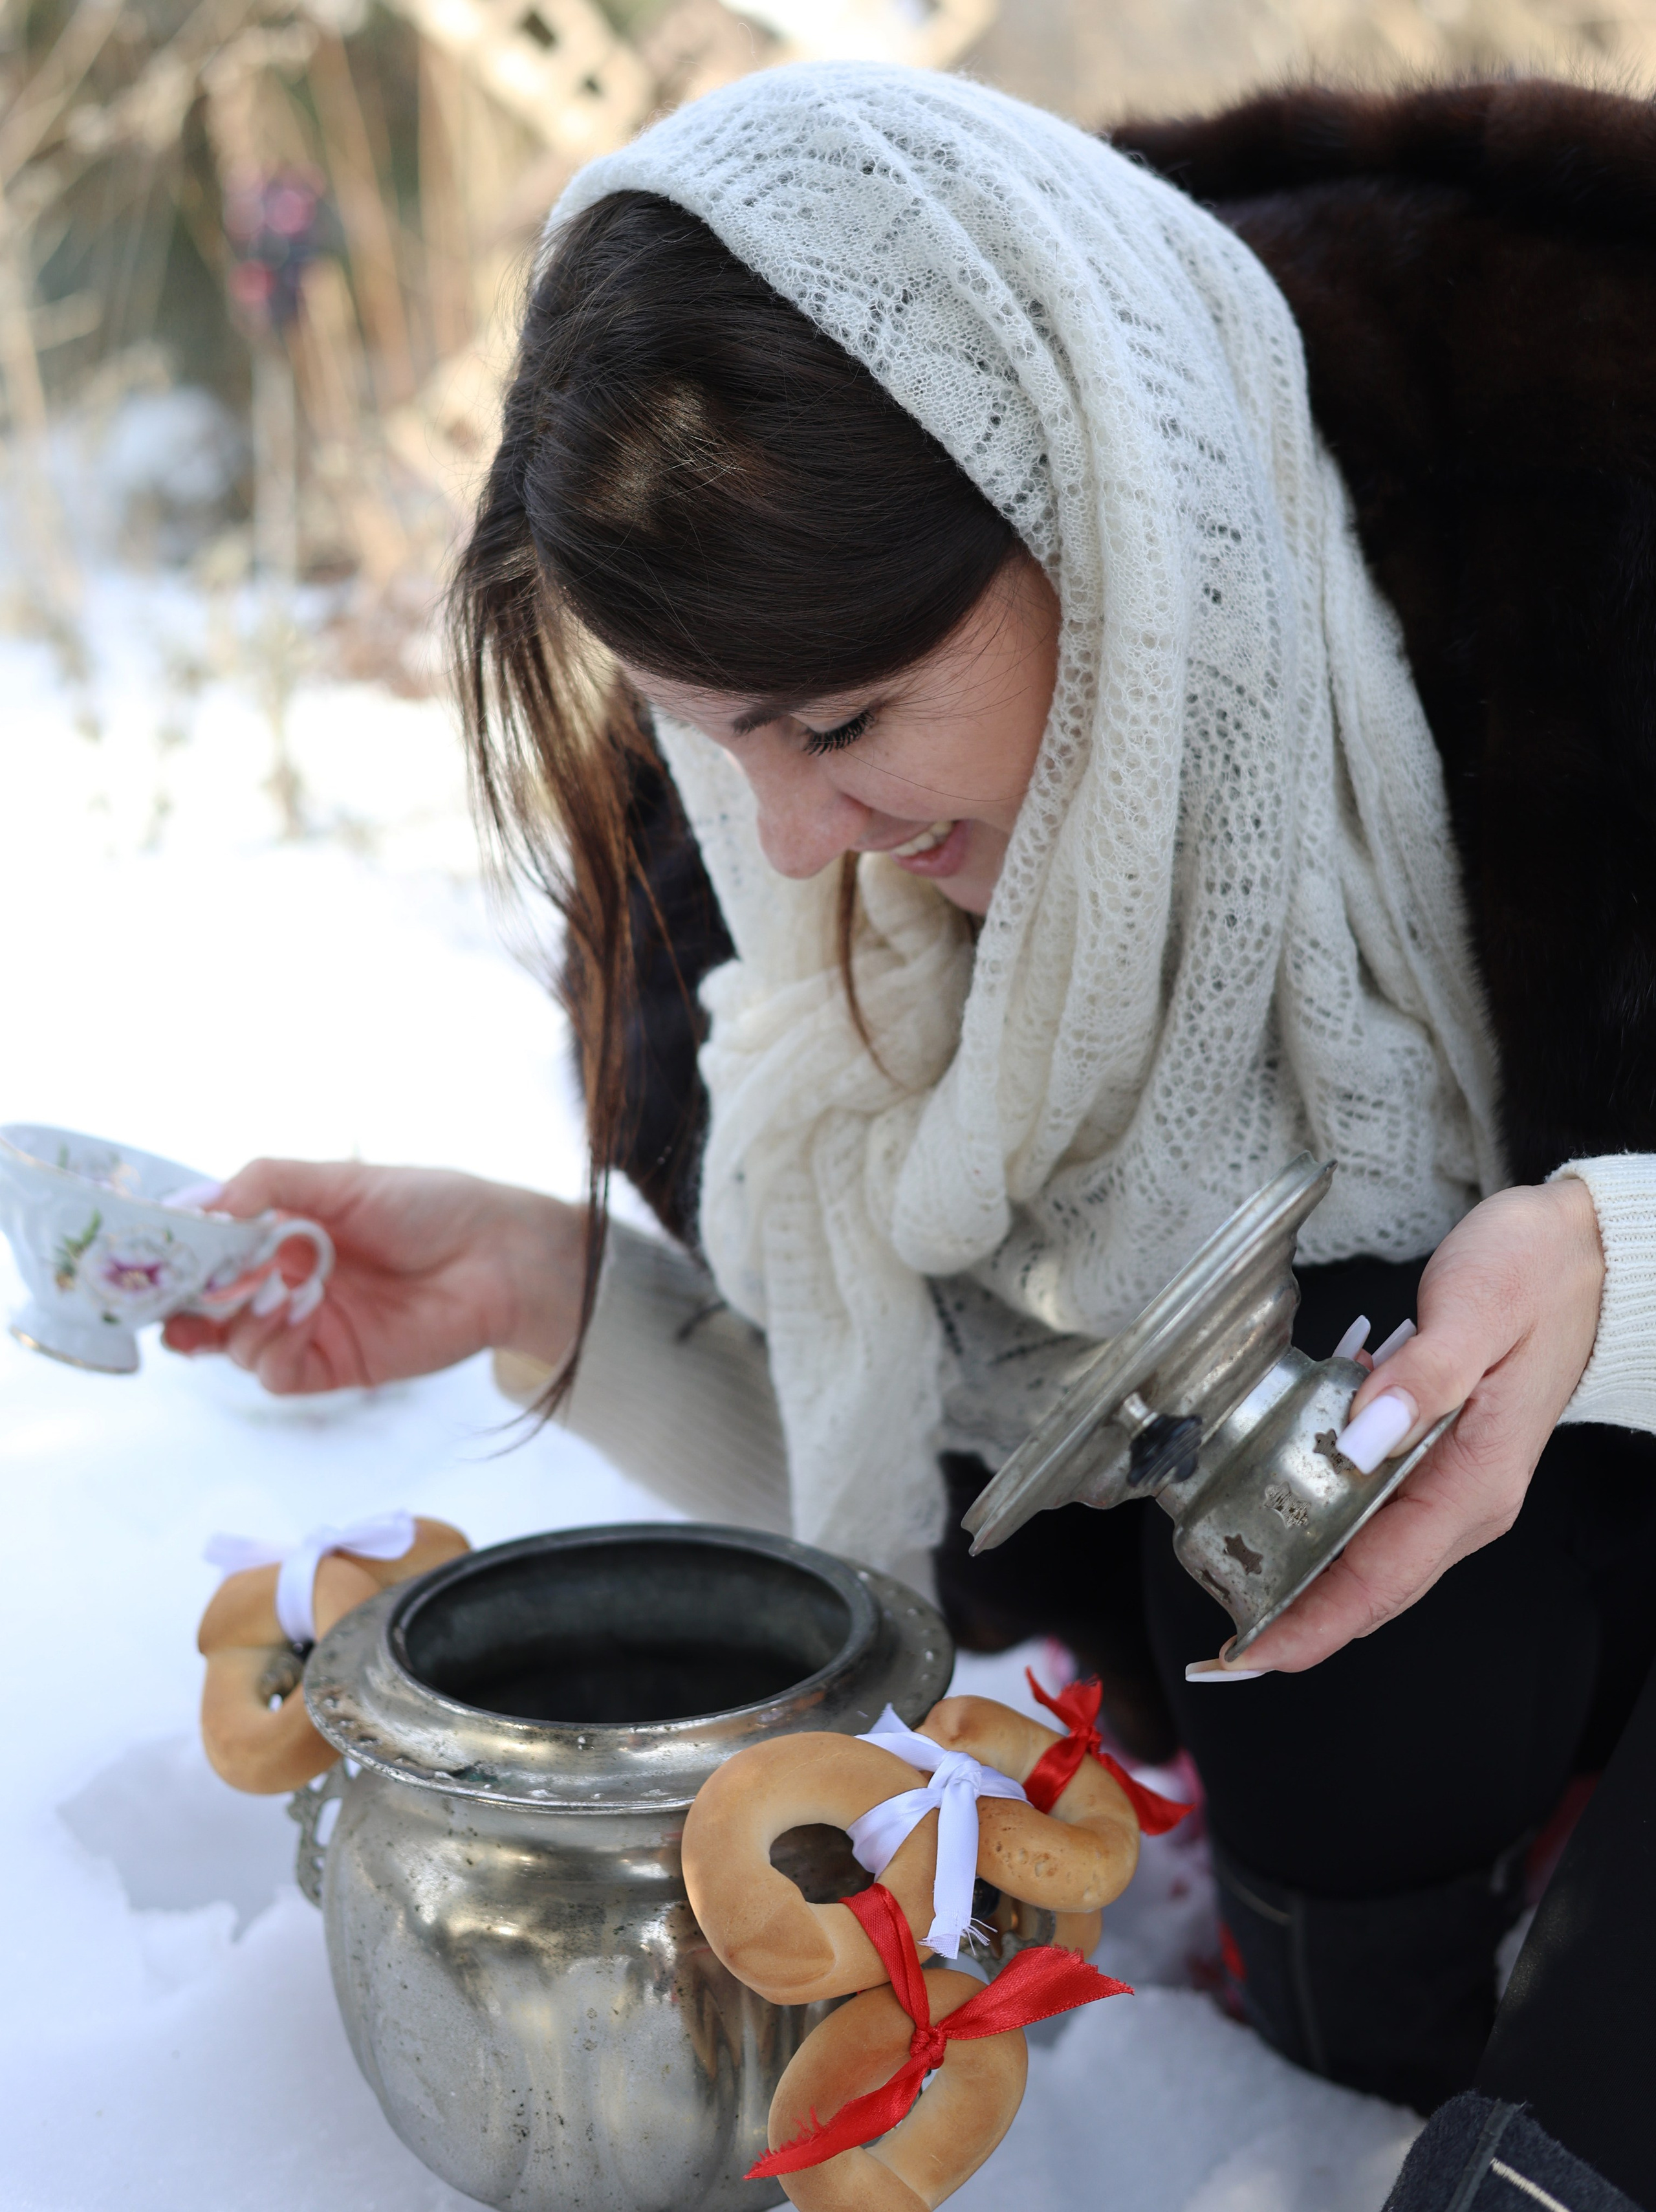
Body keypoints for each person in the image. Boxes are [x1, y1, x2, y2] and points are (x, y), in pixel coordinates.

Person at [164, 67, 1656, 2144]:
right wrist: (545, 1284)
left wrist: (1615, 1276)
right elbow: (968, 1501)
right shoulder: (790, 934)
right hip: (1339, 1898)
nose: (790, 828)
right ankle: (1361, 2091)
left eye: (843, 719)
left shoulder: (1584, 527)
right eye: (713, 737)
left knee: (1362, 1357)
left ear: (1098, 517)